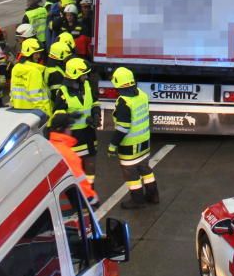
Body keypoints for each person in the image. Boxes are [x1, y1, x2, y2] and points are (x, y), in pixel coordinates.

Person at [109, 67, 158, 209]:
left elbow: (123, 128)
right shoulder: (142, 94)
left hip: (130, 146)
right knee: (145, 169)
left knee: (131, 174)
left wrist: (112, 145)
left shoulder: (123, 102)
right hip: (144, 142)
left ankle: (137, 200)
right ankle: (153, 195)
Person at [58, 58, 99, 191]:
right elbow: (59, 118)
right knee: (76, 168)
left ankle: (90, 190)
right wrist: (83, 120)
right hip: (74, 137)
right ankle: (79, 193)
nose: (86, 77)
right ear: (75, 74)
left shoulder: (87, 85)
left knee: (91, 165)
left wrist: (96, 114)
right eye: (84, 74)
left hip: (89, 134)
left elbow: (94, 102)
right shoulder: (63, 93)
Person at [48, 131, 99, 207]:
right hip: (77, 194)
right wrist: (91, 198)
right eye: (69, 127)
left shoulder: (49, 145)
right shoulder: (67, 154)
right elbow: (79, 179)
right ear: (65, 130)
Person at [9, 38, 53, 126]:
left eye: (39, 53)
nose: (39, 56)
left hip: (19, 112)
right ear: (29, 54)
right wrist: (45, 116)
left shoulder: (16, 69)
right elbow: (37, 97)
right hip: (36, 115)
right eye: (36, 53)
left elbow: (13, 93)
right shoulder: (34, 72)